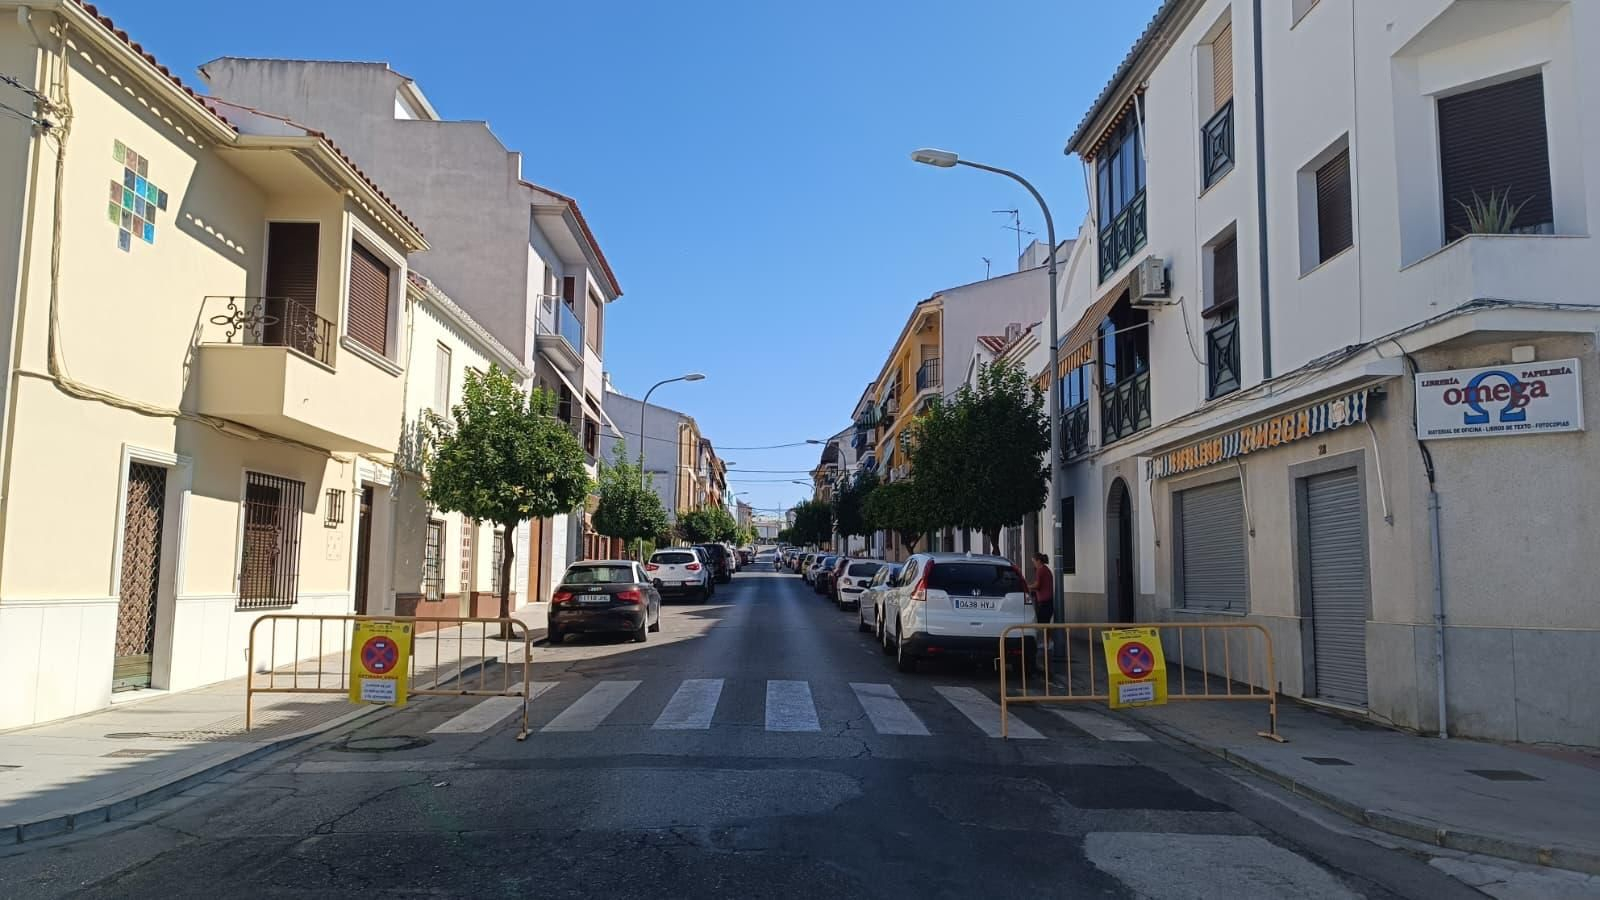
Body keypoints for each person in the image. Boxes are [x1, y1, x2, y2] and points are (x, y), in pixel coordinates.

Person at [1027, 552, 1059, 662]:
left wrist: (1027, 587)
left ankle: (1048, 642)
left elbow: (1038, 585)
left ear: (1038, 561)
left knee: (1043, 623)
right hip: (1046, 601)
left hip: (1045, 602)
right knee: (1044, 623)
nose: (1034, 564)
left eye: (1034, 562)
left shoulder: (1041, 570)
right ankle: (1047, 642)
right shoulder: (1045, 570)